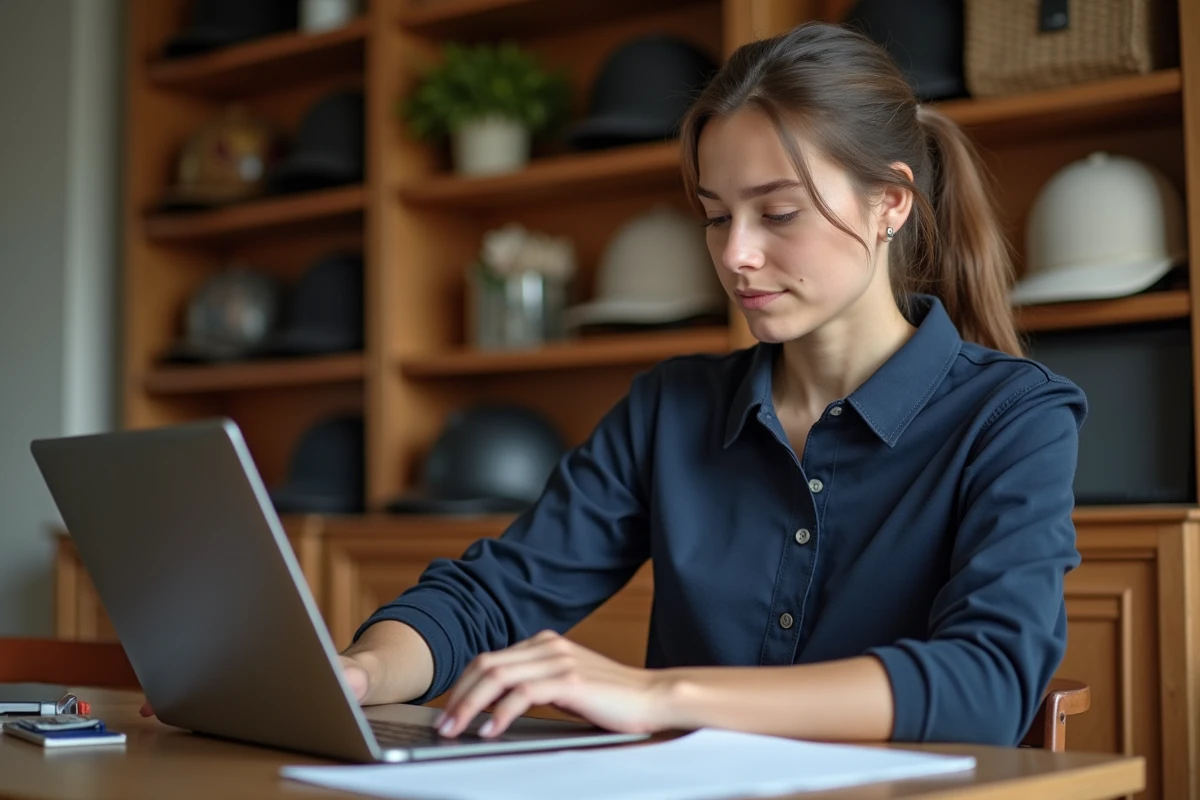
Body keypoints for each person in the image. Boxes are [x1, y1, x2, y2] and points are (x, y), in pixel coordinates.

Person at [149, 21, 1087, 746]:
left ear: (890, 202)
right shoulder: (673, 406)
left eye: (779, 213)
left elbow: (985, 685)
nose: (738, 256)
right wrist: (355, 675)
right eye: (716, 218)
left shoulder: (1015, 418)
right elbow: (493, 597)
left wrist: (655, 693)